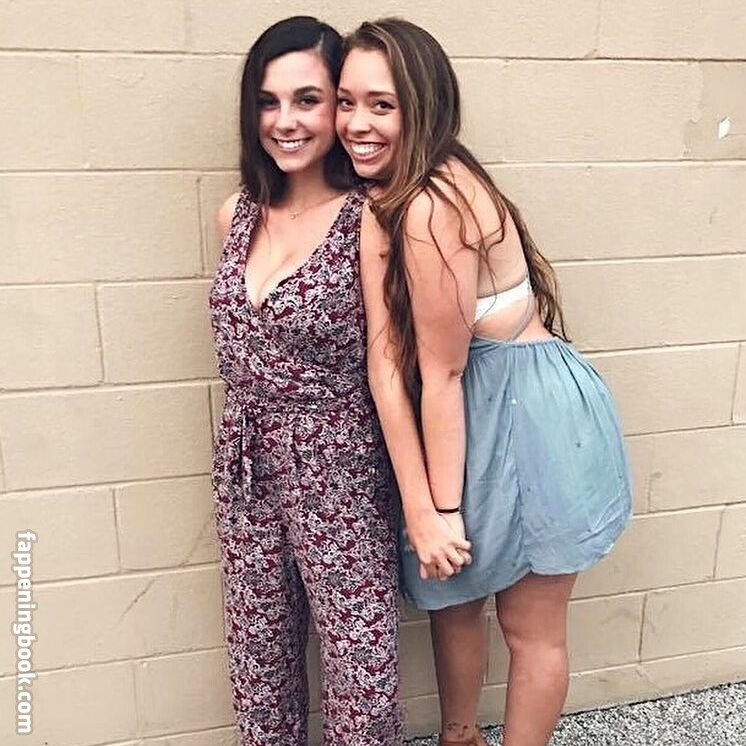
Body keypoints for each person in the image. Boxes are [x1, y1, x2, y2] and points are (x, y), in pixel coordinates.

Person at [337, 18, 633, 746]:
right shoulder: (399, 193)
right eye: (346, 101)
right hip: (478, 409)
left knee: (529, 627)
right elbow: (397, 364)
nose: (356, 123)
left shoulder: (432, 205)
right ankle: (460, 735)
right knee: (453, 596)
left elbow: (440, 372)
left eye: (382, 104)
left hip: (527, 415)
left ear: (423, 105)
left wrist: (435, 510)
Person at [208, 16, 466, 745]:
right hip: (244, 459)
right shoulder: (236, 213)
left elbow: (388, 369)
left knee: (361, 675)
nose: (284, 121)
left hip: (339, 465)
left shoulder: (369, 219)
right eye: (267, 101)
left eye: (307, 100)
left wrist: (423, 508)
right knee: (259, 662)